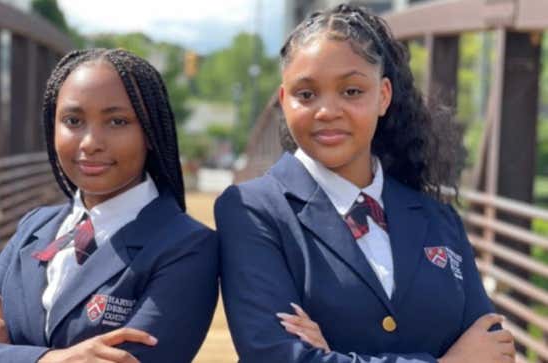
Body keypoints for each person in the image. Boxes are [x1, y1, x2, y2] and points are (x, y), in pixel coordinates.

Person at [215, 5, 515, 363]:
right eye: (306, 95)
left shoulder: (438, 217)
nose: (327, 111)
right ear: (284, 101)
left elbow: (493, 349)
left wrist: (334, 356)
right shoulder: (252, 209)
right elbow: (277, 356)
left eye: (352, 91)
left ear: (383, 96)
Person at [0, 48, 218, 363]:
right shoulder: (35, 226)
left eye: (117, 121)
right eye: (73, 120)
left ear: (149, 133)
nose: (90, 142)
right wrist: (50, 360)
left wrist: (2, 350)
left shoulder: (187, 247)